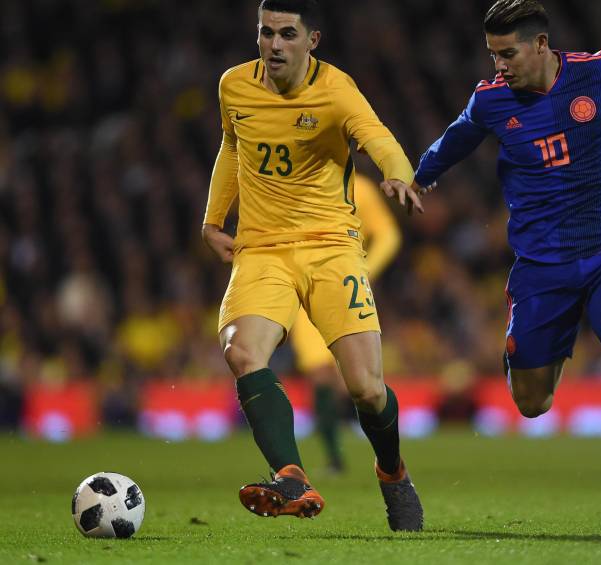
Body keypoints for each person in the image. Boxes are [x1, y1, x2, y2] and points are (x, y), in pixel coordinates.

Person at [385, 0, 601, 530]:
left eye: (507, 53)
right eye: (492, 55)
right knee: (532, 402)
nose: (498, 65)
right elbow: (455, 140)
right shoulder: (491, 102)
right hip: (542, 267)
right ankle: (543, 349)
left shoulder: (599, 73)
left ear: (541, 45)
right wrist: (416, 176)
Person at [202, 0, 423, 531]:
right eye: (265, 32)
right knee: (242, 350)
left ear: (312, 39)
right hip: (263, 249)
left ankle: (392, 472)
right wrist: (213, 219)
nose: (274, 44)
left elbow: (379, 138)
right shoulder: (234, 85)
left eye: (286, 34)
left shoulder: (336, 90)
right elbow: (232, 147)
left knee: (367, 389)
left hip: (331, 246)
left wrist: (398, 173)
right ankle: (292, 474)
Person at [289, 173, 401, 473]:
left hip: (347, 287)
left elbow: (388, 235)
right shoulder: (292, 184)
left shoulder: (359, 188)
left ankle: (388, 458)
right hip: (306, 289)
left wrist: (367, 271)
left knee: (360, 384)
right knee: (320, 373)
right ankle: (334, 458)